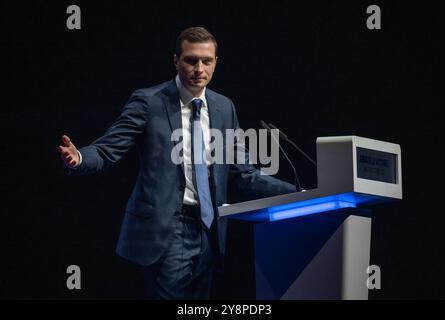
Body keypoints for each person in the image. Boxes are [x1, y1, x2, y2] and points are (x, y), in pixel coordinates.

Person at [58, 27, 296, 299]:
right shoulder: (149, 101)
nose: (199, 68)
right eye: (190, 60)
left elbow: (244, 173)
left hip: (209, 231)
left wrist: (298, 192)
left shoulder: (224, 107)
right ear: (176, 61)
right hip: (167, 231)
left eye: (206, 61)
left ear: (216, 62)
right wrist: (79, 158)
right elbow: (106, 149)